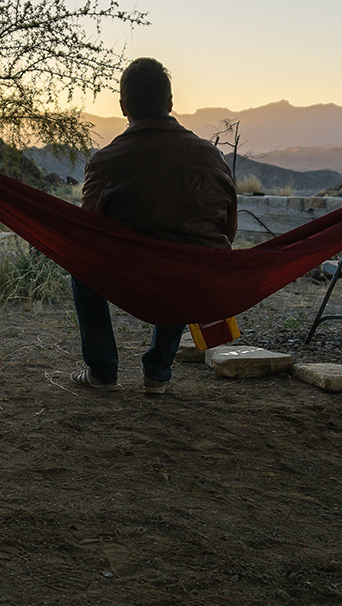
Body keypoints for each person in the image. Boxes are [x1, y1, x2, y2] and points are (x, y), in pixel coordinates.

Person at [71, 57, 237, 394]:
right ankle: (158, 372)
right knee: (184, 253)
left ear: (123, 106)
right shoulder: (211, 156)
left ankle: (103, 371)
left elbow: (88, 234)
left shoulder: (105, 161)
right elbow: (227, 230)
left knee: (81, 266)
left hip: (132, 277)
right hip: (196, 277)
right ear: (171, 103)